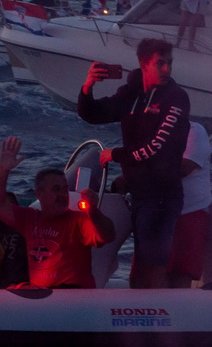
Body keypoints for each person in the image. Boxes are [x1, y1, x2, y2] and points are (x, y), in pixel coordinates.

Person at [77, 38, 190, 289]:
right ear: (143, 64)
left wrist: (115, 155)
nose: (167, 69)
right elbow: (93, 114)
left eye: (169, 63)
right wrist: (88, 86)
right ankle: (145, 312)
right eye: (160, 63)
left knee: (153, 267)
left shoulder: (177, 98)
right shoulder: (130, 95)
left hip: (162, 197)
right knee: (140, 273)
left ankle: (161, 314)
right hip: (139, 195)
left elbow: (157, 146)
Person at [0, 136, 113, 289]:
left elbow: (108, 235)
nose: (63, 195)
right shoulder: (29, 218)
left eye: (65, 189)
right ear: (39, 194)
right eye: (56, 189)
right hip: (41, 297)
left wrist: (93, 211)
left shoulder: (78, 220)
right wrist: (2, 170)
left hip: (74, 295)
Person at [161, 121, 211, 288]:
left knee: (180, 274)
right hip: (158, 214)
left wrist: (136, 179)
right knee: (145, 272)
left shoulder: (194, 131)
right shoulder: (150, 132)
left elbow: (184, 168)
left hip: (189, 213)